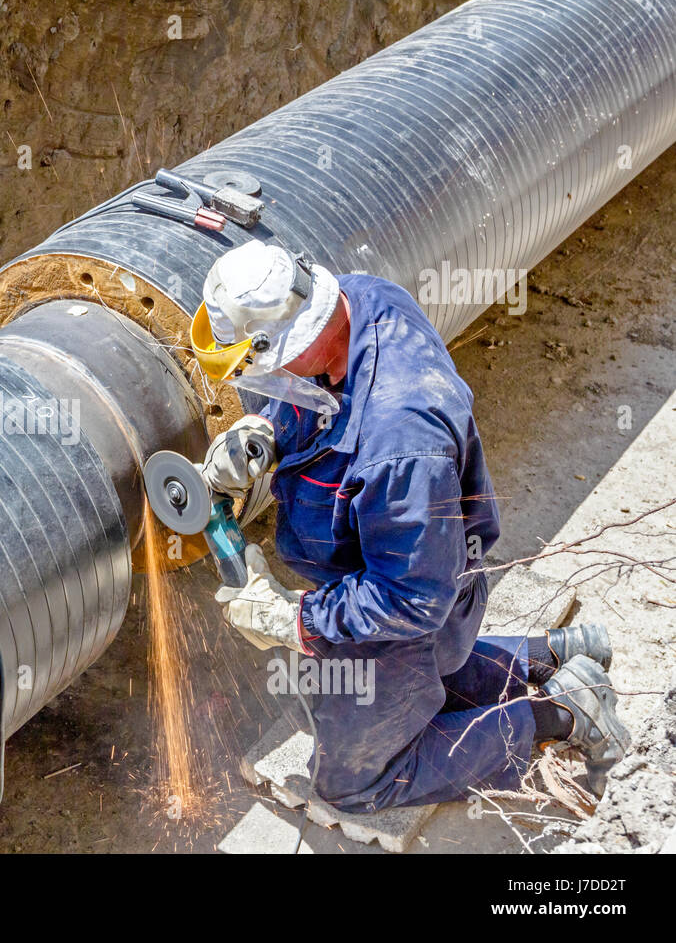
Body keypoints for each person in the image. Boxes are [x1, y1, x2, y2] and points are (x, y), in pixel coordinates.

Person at [191, 239, 630, 808]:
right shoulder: (360, 299)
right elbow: (317, 389)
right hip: (431, 569)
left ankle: (562, 713)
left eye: (261, 363)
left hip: (413, 606)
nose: (262, 377)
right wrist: (267, 430)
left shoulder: (399, 445)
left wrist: (294, 618)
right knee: (427, 677)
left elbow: (409, 600)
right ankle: (559, 652)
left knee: (352, 783)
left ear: (292, 338)